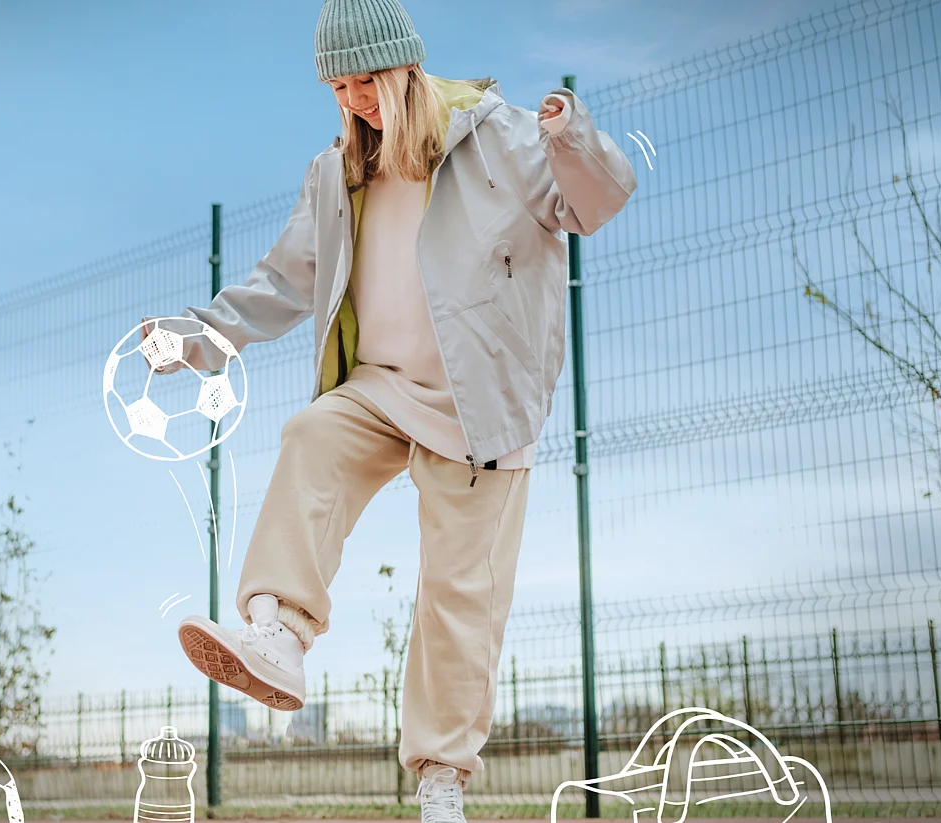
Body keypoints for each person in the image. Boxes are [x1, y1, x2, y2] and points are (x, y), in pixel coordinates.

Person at [146, 0, 635, 819]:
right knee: (311, 435)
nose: (351, 102)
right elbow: (281, 283)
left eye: (363, 81)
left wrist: (572, 137)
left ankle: (441, 781)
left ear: (403, 67)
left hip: (482, 406)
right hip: (379, 385)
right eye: (335, 87)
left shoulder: (501, 137)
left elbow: (594, 204)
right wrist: (193, 335)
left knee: (457, 597)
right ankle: (280, 636)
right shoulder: (335, 173)